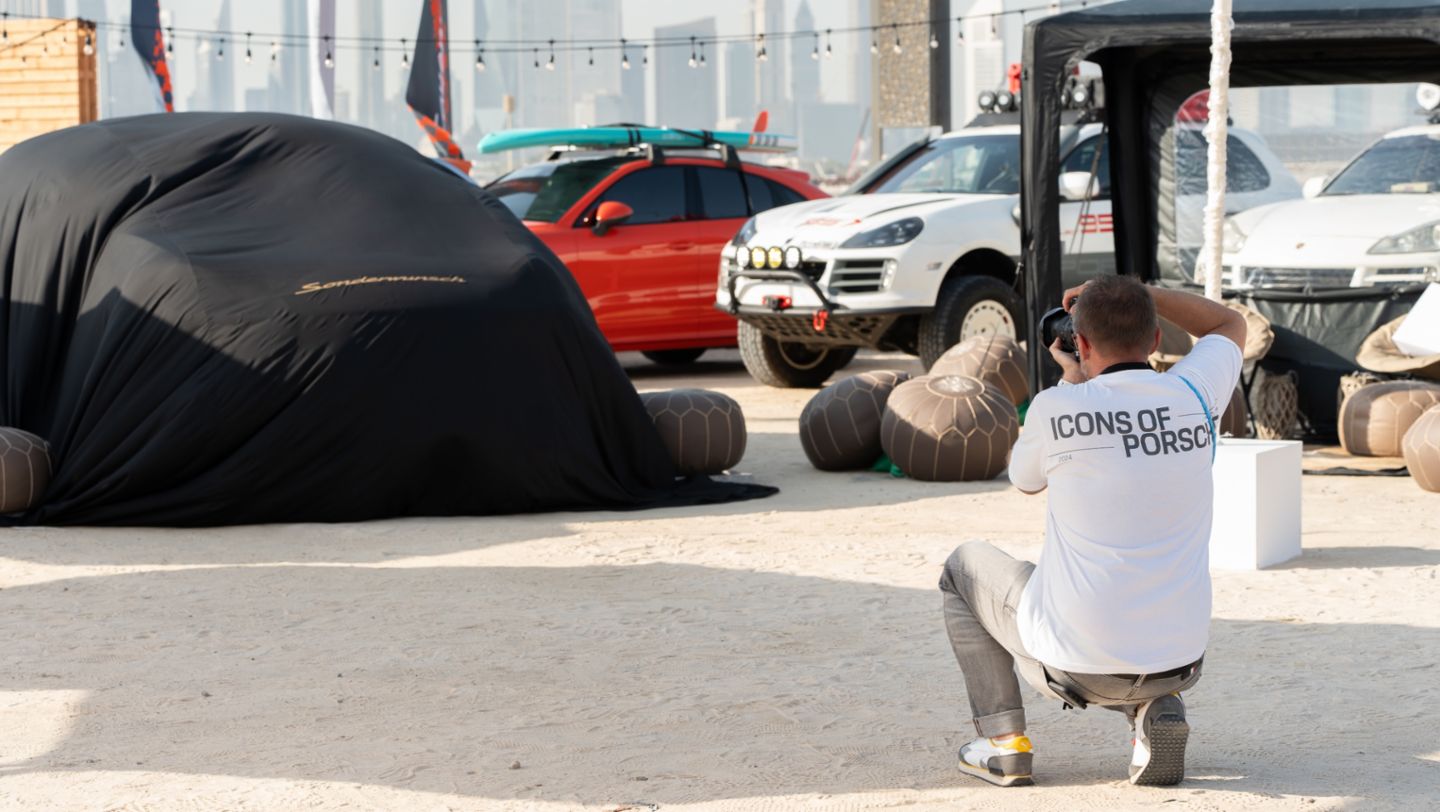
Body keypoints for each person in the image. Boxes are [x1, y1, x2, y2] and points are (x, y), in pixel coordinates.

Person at [938, 275, 1245, 787]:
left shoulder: (1057, 407)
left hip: (1077, 668)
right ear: (1153, 340)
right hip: (1181, 662)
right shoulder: (1195, 391)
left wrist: (1071, 383)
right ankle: (1151, 712)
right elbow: (1228, 323)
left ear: (1077, 343)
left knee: (963, 566)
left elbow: (1024, 481)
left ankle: (1002, 743)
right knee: (1117, 596)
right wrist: (1144, 294)